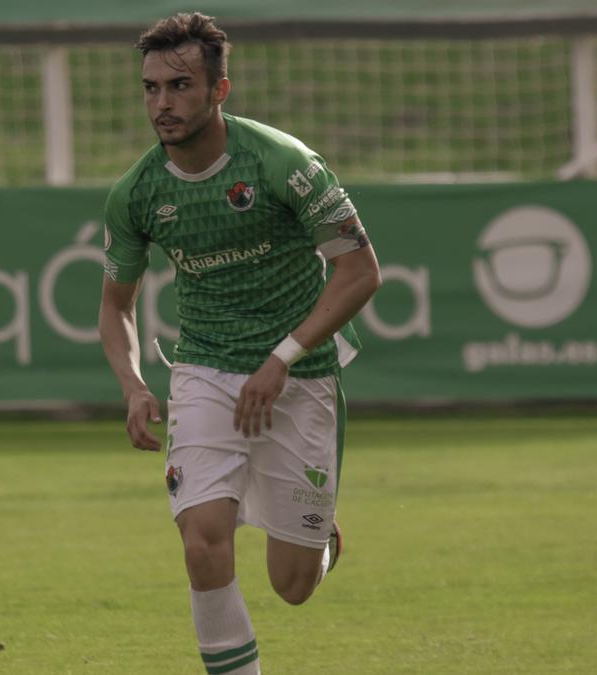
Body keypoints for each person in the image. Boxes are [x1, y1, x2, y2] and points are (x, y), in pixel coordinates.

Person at [97, 12, 382, 675]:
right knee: (202, 542)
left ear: (219, 90)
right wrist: (134, 384)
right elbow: (116, 307)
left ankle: (319, 538)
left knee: (293, 584)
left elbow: (361, 271)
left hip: (301, 373)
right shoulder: (137, 193)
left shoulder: (285, 163)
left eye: (179, 86)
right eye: (150, 88)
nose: (162, 103)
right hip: (203, 370)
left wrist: (280, 358)